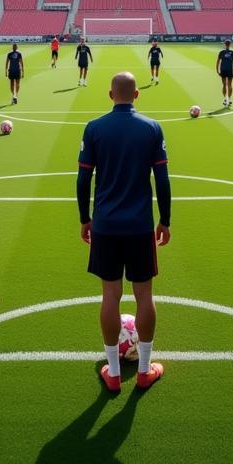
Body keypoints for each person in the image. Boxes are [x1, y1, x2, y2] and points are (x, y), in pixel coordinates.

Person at [78, 71, 171, 392]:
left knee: (110, 295)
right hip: (140, 225)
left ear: (110, 95)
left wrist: (84, 218)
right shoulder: (151, 128)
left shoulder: (94, 128)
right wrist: (166, 220)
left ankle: (114, 373)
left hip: (105, 225)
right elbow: (163, 181)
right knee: (145, 295)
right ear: (136, 95)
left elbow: (82, 180)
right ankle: (145, 370)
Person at [217, 39, 233, 108]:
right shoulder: (232, 52)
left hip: (223, 70)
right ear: (230, 45)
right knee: (230, 85)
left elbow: (218, 62)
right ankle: (229, 99)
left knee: (224, 85)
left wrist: (217, 70)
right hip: (230, 70)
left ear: (225, 44)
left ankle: (225, 99)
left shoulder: (221, 52)